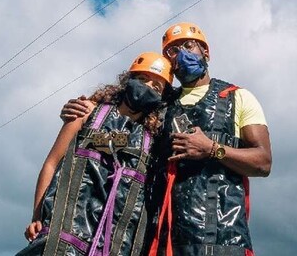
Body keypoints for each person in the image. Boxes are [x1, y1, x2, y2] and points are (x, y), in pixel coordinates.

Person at [61, 22, 272, 256]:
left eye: (189, 46)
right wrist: (84, 110)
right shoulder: (159, 105)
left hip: (223, 239)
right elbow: (119, 118)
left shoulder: (237, 97)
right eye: (173, 51)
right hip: (162, 242)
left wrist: (212, 149)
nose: (182, 53)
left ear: (206, 52)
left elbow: (263, 162)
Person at [18, 52, 174, 256]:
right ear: (129, 79)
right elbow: (52, 163)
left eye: (156, 87)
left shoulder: (152, 142)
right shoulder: (87, 112)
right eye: (143, 79)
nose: (147, 88)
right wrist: (37, 217)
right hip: (62, 242)